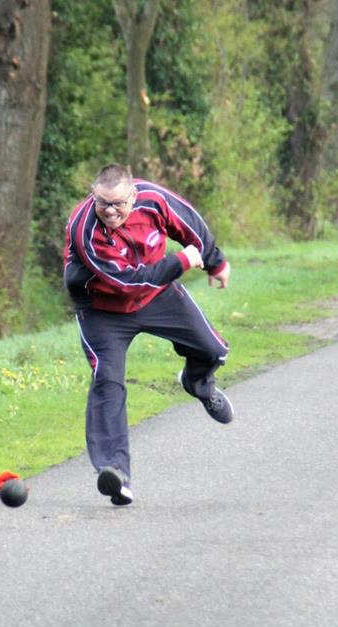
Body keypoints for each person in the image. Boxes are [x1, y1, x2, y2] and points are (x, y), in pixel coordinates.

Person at [63, 164, 233, 506]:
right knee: (108, 381)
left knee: (213, 351)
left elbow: (191, 226)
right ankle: (115, 473)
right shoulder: (85, 229)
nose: (110, 212)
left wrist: (215, 262)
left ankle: (197, 383)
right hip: (103, 309)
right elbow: (126, 283)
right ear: (92, 197)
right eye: (102, 204)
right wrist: (181, 263)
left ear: (133, 196)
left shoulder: (154, 200)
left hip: (158, 297)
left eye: (118, 204)